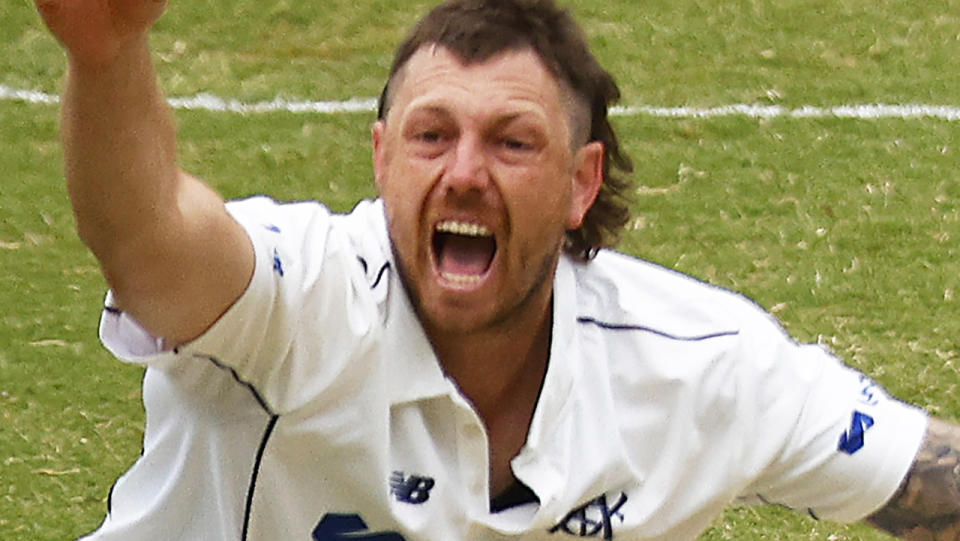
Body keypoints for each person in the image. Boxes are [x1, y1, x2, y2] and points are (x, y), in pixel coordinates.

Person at [33, 0, 960, 539]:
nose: (465, 171)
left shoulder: (699, 368)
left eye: (513, 142)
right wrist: (106, 55)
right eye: (432, 136)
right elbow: (149, 239)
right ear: (384, 160)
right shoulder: (299, 304)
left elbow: (927, 481)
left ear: (579, 180)